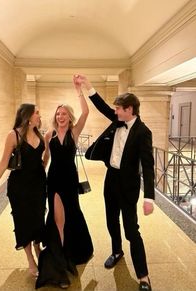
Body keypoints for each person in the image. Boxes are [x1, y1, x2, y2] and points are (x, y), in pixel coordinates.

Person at [79, 75, 154, 291]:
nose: (116, 112)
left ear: (129, 109)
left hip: (128, 185)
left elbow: (148, 166)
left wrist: (149, 197)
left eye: (119, 109)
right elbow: (102, 106)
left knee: (132, 230)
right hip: (111, 178)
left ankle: (143, 276)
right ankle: (116, 251)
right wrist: (88, 85)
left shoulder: (143, 132)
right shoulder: (117, 121)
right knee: (111, 220)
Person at [35, 75, 93, 289]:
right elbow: (46, 158)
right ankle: (60, 261)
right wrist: (37, 169)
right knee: (58, 219)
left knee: (73, 214)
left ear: (70, 117)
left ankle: (73, 250)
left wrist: (79, 90)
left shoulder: (74, 132)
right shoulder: (48, 134)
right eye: (58, 113)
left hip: (70, 179)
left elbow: (86, 112)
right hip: (55, 181)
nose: (61, 116)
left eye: (64, 113)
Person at [0, 104, 47, 278]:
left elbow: (42, 158)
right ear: (27, 116)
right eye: (36, 113)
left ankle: (37, 248)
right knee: (23, 221)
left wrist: (43, 170)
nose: (39, 115)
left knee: (38, 218)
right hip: (19, 188)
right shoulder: (14, 135)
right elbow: (3, 163)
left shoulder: (38, 133)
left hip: (39, 186)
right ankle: (30, 259)